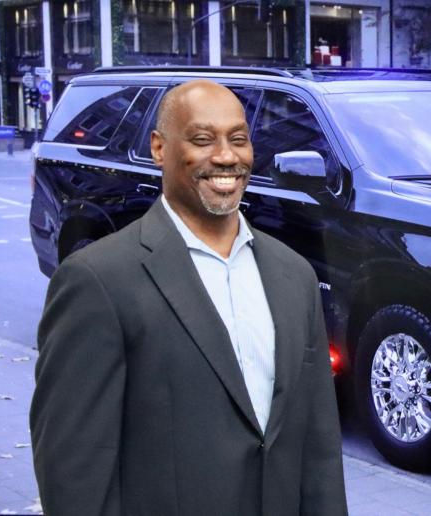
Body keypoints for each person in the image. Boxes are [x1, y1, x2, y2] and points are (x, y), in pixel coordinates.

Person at [30, 79, 347, 515]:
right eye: (202, 139)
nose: (225, 156)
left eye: (239, 139)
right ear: (160, 149)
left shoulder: (295, 275)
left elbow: (319, 449)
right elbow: (73, 472)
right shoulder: (96, 281)